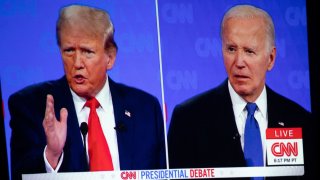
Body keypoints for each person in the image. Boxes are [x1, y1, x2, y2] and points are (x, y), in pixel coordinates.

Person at [9, 4, 166, 180]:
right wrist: (51, 155)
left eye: (87, 52)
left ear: (110, 57)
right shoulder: (31, 106)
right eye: (69, 50)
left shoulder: (145, 109)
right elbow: (20, 176)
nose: (77, 63)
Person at [168, 4, 314, 179]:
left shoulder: (299, 120)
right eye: (231, 49)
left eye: (249, 51)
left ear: (271, 58)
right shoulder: (189, 119)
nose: (239, 62)